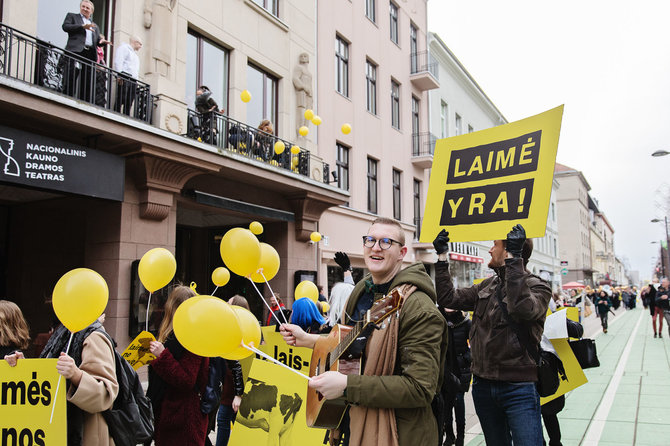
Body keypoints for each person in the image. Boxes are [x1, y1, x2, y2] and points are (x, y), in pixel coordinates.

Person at [280, 217, 448, 446]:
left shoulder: (418, 308)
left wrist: (347, 386)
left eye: (386, 242)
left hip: (399, 434)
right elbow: (355, 346)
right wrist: (309, 339)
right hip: (352, 425)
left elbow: (419, 388)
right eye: (370, 240)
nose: (376, 247)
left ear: (402, 252)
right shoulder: (361, 295)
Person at [433, 224, 551, 446]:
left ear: (508, 251)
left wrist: (514, 260)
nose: (489, 250)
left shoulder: (538, 286)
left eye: (494, 245)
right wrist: (441, 257)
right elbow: (448, 298)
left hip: (519, 387)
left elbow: (522, 308)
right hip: (483, 386)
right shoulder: (486, 286)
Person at [147, 285, 209, 446]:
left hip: (184, 417)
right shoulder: (172, 333)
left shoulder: (194, 337)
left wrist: (162, 356)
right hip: (169, 416)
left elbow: (187, 380)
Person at [40, 318, 118, 445]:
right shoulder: (61, 333)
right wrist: (23, 368)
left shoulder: (94, 337)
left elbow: (105, 395)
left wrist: (75, 375)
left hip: (85, 432)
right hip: (61, 429)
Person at [541, 318, 584, 446]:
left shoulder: (551, 317)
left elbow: (577, 330)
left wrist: (562, 321)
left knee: (547, 412)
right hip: (543, 372)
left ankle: (554, 442)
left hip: (545, 372)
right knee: (545, 413)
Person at [62, 0, 107, 102]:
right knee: (71, 76)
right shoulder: (73, 16)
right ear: (80, 7)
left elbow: (96, 42)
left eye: (87, 8)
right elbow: (65, 27)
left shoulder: (95, 26)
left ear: (91, 11)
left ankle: (84, 101)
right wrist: (82, 26)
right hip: (75, 50)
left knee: (87, 80)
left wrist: (103, 42)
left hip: (89, 53)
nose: (85, 9)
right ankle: (67, 98)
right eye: (83, 6)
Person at [440, 309, 471, 446]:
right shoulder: (440, 321)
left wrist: (465, 359)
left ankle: (461, 436)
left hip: (460, 370)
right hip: (445, 369)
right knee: (445, 403)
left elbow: (475, 344)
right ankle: (450, 435)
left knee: (458, 402)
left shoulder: (466, 323)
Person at [113, 35, 142, 116]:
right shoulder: (124, 48)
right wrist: (119, 75)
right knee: (121, 97)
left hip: (133, 79)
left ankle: (126, 115)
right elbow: (119, 61)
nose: (140, 46)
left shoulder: (135, 55)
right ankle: (116, 113)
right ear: (135, 42)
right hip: (125, 76)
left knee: (129, 101)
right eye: (140, 44)